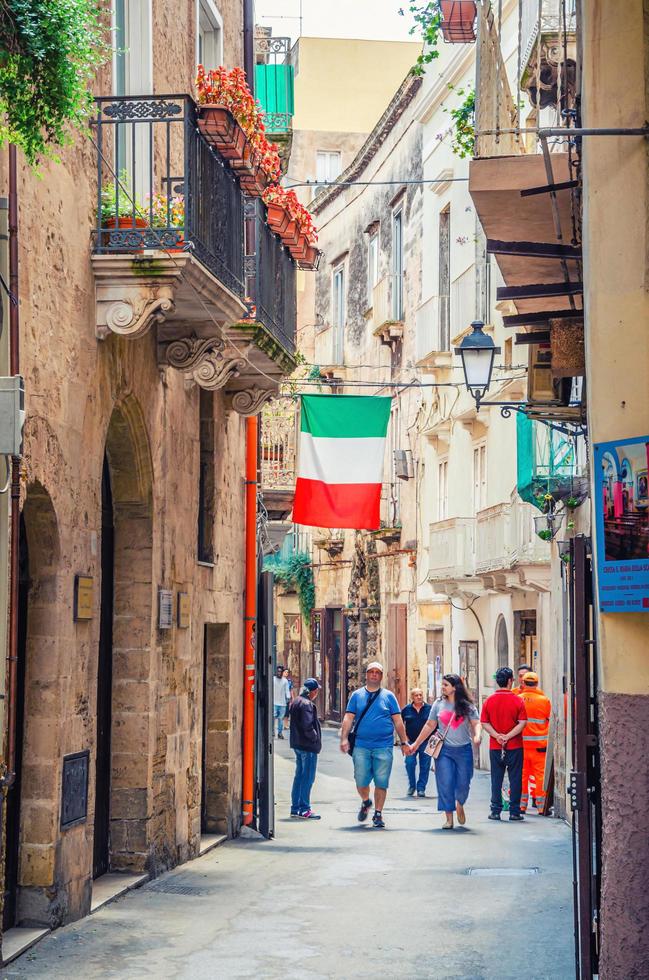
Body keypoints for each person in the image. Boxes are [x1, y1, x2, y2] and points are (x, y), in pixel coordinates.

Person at [339, 661, 409, 829]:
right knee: (361, 780)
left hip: (384, 746)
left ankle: (378, 814)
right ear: (367, 674)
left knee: (381, 781)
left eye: (378, 672)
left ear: (381, 676)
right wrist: (344, 738)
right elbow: (348, 717)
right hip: (362, 745)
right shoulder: (357, 695)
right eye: (371, 672)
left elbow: (398, 721)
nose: (374, 675)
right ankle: (365, 801)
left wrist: (404, 741)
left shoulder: (389, 696)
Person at [407, 674, 481, 830]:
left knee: (464, 783)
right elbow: (429, 725)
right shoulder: (438, 704)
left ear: (455, 687)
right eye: (442, 685)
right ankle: (449, 818)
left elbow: (476, 723)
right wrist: (416, 744)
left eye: (446, 685)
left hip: (464, 750)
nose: (443, 688)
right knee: (445, 783)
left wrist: (478, 736)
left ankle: (459, 802)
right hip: (444, 751)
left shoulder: (467, 705)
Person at [480, 666, 528, 822]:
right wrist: (508, 736)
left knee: (496, 778)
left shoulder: (489, 701)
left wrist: (497, 736)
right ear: (510, 681)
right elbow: (522, 722)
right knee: (515, 778)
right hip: (514, 746)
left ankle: (495, 810)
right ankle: (514, 811)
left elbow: (484, 722)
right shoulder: (518, 700)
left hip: (495, 746)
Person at [289, 678, 322, 820]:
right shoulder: (307, 704)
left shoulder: (296, 701)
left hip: (297, 745)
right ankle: (304, 808)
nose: (316, 693)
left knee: (299, 776)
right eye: (316, 691)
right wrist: (315, 738)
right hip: (307, 746)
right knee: (307, 777)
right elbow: (308, 726)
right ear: (313, 692)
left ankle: (295, 808)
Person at [518, 671, 551, 813]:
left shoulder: (517, 699)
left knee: (521, 776)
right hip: (540, 746)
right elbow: (549, 721)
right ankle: (541, 807)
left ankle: (521, 806)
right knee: (540, 777)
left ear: (523, 683)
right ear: (537, 684)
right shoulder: (544, 701)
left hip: (522, 746)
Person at [401, 687, 432, 797]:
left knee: (425, 765)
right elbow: (399, 725)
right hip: (411, 742)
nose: (419, 697)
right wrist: (404, 741)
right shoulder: (406, 710)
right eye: (416, 695)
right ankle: (412, 786)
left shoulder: (430, 709)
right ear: (412, 697)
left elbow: (435, 725)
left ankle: (421, 788)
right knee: (409, 763)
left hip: (426, 742)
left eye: (420, 695)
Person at [273, 664, 290, 739]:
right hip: (274, 702)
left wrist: (288, 697)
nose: (279, 673)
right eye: (278, 671)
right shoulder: (273, 679)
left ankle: (280, 733)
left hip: (282, 703)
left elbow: (287, 691)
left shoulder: (285, 681)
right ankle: (272, 732)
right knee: (272, 718)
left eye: (280, 671)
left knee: (280, 719)